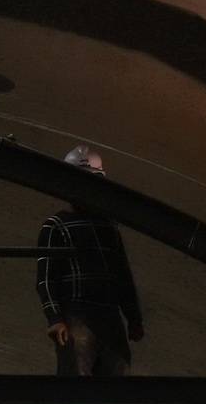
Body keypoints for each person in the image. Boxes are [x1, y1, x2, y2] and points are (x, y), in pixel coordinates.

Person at [35, 146, 143, 381]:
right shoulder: (56, 226)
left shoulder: (107, 227)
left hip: (108, 315)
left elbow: (122, 275)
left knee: (116, 375)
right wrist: (55, 318)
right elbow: (46, 278)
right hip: (77, 314)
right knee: (77, 377)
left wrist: (133, 318)